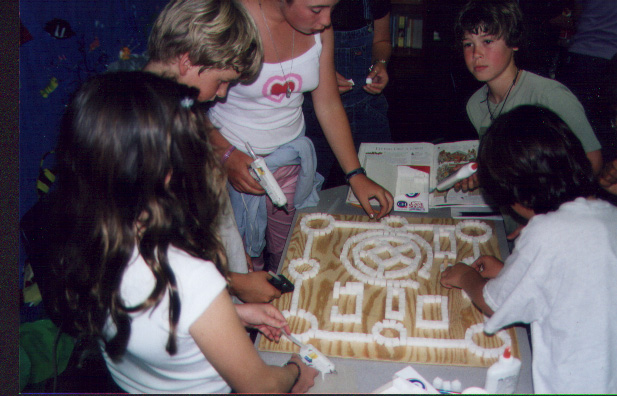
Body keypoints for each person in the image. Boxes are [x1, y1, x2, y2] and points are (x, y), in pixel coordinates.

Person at [46, 71, 318, 393]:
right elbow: (262, 387)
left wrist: (229, 316)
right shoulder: (192, 276)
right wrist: (295, 370)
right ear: (166, 174)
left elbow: (155, 324)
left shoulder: (87, 241)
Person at [440, 105, 617, 394]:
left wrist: (464, 277)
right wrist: (512, 272)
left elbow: (491, 302)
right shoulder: (608, 214)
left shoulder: (546, 231)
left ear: (516, 193)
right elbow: (570, 279)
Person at [207, 0, 394, 272]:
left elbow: (328, 103)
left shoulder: (320, 27)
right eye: (317, 10)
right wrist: (225, 154)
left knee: (291, 255)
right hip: (232, 168)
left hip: (290, 164)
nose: (326, 21)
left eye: (332, 8)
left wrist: (355, 174)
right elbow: (184, 103)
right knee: (242, 265)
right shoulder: (231, 18)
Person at [144, 0, 281, 303]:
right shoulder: (146, 133)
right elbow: (154, 255)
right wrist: (233, 283)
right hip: (185, 300)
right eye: (222, 81)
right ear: (188, 61)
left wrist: (232, 251)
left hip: (213, 273)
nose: (221, 94)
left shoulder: (183, 108)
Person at [454, 0, 602, 195]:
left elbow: (593, 162)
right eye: (468, 44)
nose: (476, 54)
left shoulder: (549, 96)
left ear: (514, 42)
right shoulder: (475, 104)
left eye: (487, 41)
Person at [303, 0, 393, 188]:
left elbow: (382, 40)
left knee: (385, 184)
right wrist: (319, 73)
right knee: (308, 194)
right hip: (314, 116)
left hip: (367, 109)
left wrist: (380, 63)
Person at [555, 0, 617, 161]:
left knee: (572, 127)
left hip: (580, 55)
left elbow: (577, 15)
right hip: (610, 57)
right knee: (604, 128)